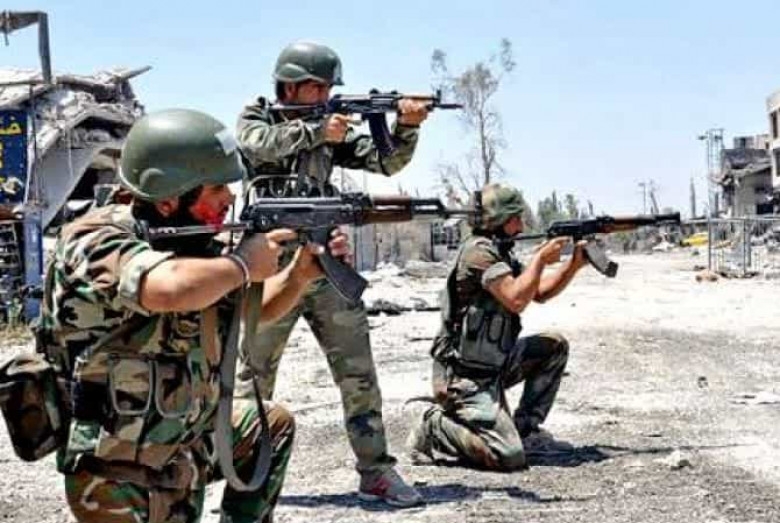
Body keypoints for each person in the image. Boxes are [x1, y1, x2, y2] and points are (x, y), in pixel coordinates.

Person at [39, 109, 349, 523]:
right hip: (118, 470)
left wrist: (299, 275)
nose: (230, 199)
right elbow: (167, 288)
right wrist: (242, 264)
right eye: (216, 187)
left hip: (183, 443)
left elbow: (255, 309)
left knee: (268, 426)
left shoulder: (195, 246)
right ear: (169, 196)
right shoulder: (94, 238)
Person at [235, 41, 428, 507]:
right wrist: (317, 130)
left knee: (358, 372)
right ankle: (241, 472)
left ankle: (376, 470)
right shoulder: (258, 116)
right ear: (288, 86)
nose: (325, 95)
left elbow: (385, 161)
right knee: (252, 376)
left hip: (322, 255)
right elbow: (255, 144)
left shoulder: (331, 129)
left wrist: (405, 126)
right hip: (268, 261)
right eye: (316, 87)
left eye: (327, 88)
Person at [406, 183, 588, 471]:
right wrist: (540, 259)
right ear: (498, 219)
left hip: (494, 364)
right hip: (464, 378)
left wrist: (573, 265)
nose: (521, 225)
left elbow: (538, 292)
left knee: (553, 347)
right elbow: (516, 299)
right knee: (507, 456)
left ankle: (526, 430)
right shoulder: (478, 253)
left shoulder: (499, 252)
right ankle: (434, 427)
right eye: (516, 217)